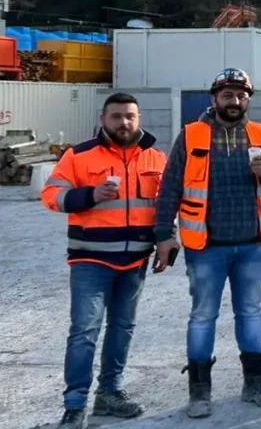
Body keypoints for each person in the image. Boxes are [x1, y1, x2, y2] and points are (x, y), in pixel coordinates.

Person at [155, 68, 261, 418]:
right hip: (206, 247)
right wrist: (163, 236)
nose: (235, 101)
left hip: (251, 244)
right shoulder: (191, 135)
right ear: (214, 98)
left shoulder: (260, 133)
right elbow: (169, 188)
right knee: (203, 316)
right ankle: (199, 392)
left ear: (248, 99)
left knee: (250, 313)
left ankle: (255, 384)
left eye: (242, 95)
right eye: (228, 95)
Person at [42, 93, 167, 429]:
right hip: (91, 260)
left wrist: (168, 241)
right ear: (103, 119)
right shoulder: (79, 156)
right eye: (116, 116)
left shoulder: (155, 157)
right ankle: (75, 404)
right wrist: (90, 195)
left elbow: (165, 205)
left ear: (138, 119)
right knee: (84, 331)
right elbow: (50, 195)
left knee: (123, 328)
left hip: (135, 262)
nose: (123, 123)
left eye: (130, 116)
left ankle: (110, 393)